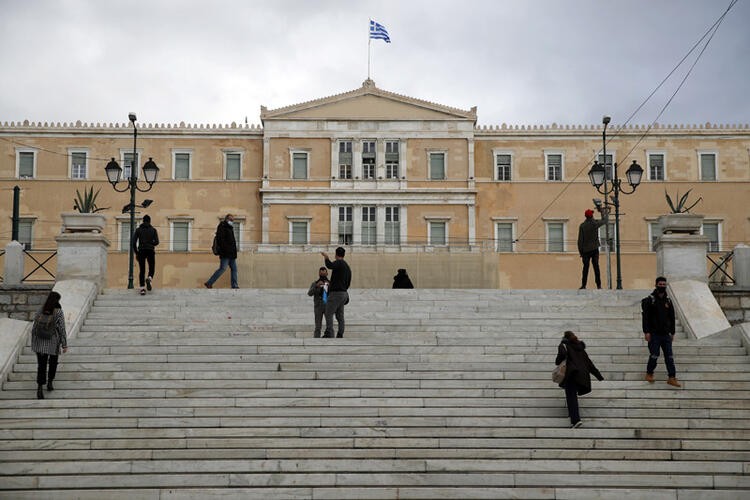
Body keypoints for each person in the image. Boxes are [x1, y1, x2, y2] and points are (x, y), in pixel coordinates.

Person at [555, 330, 603, 428]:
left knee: (571, 397)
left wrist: (559, 359)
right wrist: (599, 376)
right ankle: (573, 415)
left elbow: (560, 358)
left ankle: (575, 420)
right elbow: (589, 363)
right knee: (573, 396)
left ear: (565, 337)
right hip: (582, 375)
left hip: (572, 374)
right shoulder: (580, 348)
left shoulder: (564, 345)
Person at [642, 276, 681, 387]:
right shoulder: (650, 300)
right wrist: (646, 332)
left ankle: (672, 377)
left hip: (666, 334)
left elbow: (672, 317)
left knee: (669, 356)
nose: (662, 286)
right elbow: (645, 317)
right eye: (660, 284)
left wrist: (672, 332)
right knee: (654, 354)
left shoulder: (668, 300)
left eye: (664, 285)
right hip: (654, 334)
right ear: (656, 285)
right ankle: (649, 373)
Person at [31, 291, 68, 400]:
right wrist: (64, 344)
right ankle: (50, 382)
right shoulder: (59, 312)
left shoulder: (40, 309)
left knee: (41, 365)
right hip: (53, 342)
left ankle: (39, 388)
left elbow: (34, 327)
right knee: (53, 363)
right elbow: (61, 329)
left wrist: (34, 342)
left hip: (39, 342)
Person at [321, 247, 352, 338]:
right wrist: (344, 289)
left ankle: (329, 333)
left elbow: (330, 265)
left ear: (336, 254)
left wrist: (326, 257)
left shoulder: (339, 262)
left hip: (336, 293)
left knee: (328, 313)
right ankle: (340, 333)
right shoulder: (347, 266)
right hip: (344, 293)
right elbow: (349, 281)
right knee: (339, 315)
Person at [205, 214, 238, 289]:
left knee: (234, 269)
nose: (232, 221)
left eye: (233, 220)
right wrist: (226, 250)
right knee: (222, 269)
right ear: (226, 219)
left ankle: (234, 285)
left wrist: (233, 251)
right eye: (231, 220)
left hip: (232, 254)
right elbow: (221, 240)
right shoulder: (222, 227)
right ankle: (209, 283)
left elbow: (232, 242)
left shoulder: (230, 228)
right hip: (225, 253)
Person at [577, 207, 608, 289]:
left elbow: (580, 241)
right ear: (591, 216)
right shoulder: (595, 224)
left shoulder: (582, 226)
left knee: (585, 269)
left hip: (585, 251)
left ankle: (583, 285)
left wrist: (581, 253)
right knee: (596, 267)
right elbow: (605, 221)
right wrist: (602, 212)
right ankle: (599, 285)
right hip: (594, 249)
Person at [132, 214, 159, 296]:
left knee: (142, 270)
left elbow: (133, 242)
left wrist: (136, 253)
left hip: (141, 251)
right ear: (149, 221)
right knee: (152, 267)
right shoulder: (153, 230)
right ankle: (149, 278)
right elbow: (157, 242)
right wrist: (151, 243)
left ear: (143, 221)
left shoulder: (138, 230)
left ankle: (142, 289)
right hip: (150, 250)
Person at [307, 266, 330, 338]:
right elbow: (309, 293)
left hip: (328, 306)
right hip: (318, 306)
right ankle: (316, 339)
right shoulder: (315, 283)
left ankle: (331, 339)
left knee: (329, 325)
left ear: (327, 274)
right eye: (321, 273)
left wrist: (330, 286)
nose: (323, 276)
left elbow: (334, 294)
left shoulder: (330, 283)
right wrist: (316, 286)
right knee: (318, 326)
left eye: (324, 273)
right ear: (319, 274)